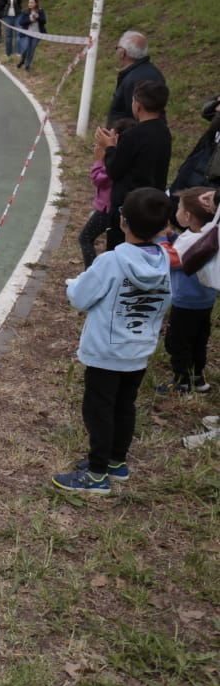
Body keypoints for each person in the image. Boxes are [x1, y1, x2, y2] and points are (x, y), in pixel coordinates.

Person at [53, 187, 172, 493]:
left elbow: (80, 298)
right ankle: (116, 461)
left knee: (99, 410)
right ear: (164, 227)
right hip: (138, 350)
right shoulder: (163, 261)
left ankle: (96, 474)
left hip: (105, 352)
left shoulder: (110, 261)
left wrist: (73, 284)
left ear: (122, 221)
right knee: (124, 406)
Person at [157, 188, 218, 394]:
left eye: (179, 209)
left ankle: (181, 381)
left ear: (188, 216)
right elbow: (186, 249)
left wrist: (162, 240)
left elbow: (174, 260)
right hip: (205, 301)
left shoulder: (190, 240)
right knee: (199, 340)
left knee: (178, 342)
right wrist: (173, 237)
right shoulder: (209, 233)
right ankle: (198, 378)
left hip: (185, 302)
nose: (177, 212)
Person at [100, 80, 172, 250]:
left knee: (119, 249)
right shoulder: (164, 132)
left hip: (129, 205)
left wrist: (109, 148)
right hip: (153, 203)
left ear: (138, 106)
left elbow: (114, 170)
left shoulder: (132, 136)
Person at [81, 118, 133, 267]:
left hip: (107, 209)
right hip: (116, 207)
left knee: (85, 238)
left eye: (110, 136)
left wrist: (98, 161)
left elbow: (100, 180)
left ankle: (92, 273)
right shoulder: (131, 155)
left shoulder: (115, 160)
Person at [106, 31, 166, 125]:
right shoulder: (155, 72)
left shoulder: (132, 79)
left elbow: (135, 116)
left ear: (122, 52)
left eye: (117, 48)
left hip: (132, 133)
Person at [15, 0, 46, 70]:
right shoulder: (25, 12)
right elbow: (21, 22)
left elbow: (44, 21)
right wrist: (30, 20)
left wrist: (38, 17)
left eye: (32, 2)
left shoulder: (40, 11)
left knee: (31, 50)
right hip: (27, 33)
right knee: (25, 47)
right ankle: (22, 59)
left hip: (37, 34)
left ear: (36, 3)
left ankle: (27, 65)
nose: (30, 4)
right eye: (29, 3)